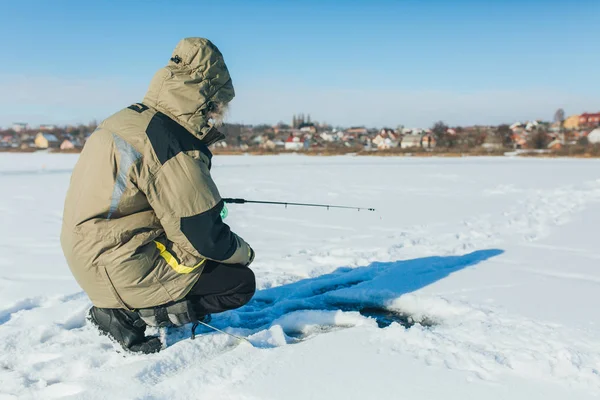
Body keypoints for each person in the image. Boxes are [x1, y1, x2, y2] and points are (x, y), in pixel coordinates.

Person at [60, 38, 255, 354]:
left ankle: (119, 304)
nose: (215, 117)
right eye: (217, 108)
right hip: (119, 265)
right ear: (208, 98)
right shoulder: (170, 141)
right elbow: (206, 237)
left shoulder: (126, 119)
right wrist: (245, 253)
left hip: (86, 256)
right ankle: (126, 315)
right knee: (237, 282)